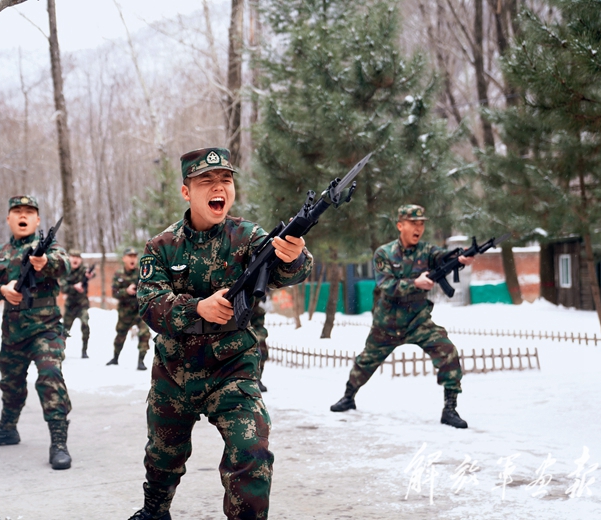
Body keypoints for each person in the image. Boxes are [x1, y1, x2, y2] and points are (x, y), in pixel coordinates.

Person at [128, 147, 313, 520]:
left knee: (251, 450)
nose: (219, 187)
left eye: (225, 180)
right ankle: (155, 510)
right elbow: (149, 304)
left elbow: (285, 272)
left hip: (232, 368)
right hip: (174, 372)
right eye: (206, 181)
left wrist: (294, 256)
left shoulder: (249, 237)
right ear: (186, 192)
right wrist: (197, 308)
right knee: (163, 455)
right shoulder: (161, 246)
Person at [329, 204, 473, 429]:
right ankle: (349, 396)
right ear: (400, 225)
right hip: (387, 323)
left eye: (421, 224)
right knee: (366, 361)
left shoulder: (426, 251)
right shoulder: (384, 253)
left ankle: (450, 409)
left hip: (418, 321)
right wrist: (415, 283)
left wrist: (460, 257)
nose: (418, 228)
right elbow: (386, 285)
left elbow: (443, 257)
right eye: (413, 223)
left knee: (448, 351)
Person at [0, 195, 72, 470]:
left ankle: (59, 442)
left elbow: (65, 265)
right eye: (17, 211)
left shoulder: (50, 248)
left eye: (29, 211)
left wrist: (44, 263)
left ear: (37, 220)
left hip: (46, 329)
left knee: (50, 377)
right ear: (9, 219)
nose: (23, 215)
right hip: (13, 332)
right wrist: (2, 290)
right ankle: (7, 429)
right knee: (11, 382)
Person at [108, 247, 150, 370]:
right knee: (120, 335)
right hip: (125, 312)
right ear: (124, 258)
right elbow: (114, 293)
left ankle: (141, 361)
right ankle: (115, 358)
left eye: (134, 256)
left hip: (140, 311)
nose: (132, 259)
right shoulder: (119, 274)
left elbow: (149, 289)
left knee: (144, 333)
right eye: (130, 256)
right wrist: (126, 291)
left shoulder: (142, 273)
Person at [60, 249, 94, 359]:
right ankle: (60, 351)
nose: (75, 259)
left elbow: (91, 274)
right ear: (69, 259)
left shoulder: (83, 270)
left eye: (78, 257)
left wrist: (90, 275)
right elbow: (63, 288)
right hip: (70, 306)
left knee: (85, 325)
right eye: (73, 257)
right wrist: (74, 287)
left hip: (82, 305)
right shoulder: (65, 271)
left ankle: (84, 351)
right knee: (65, 329)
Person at [250, 297, 269, 392]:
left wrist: (258, 337)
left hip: (255, 335)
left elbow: (260, 327)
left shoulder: (258, 311)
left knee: (263, 353)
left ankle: (257, 379)